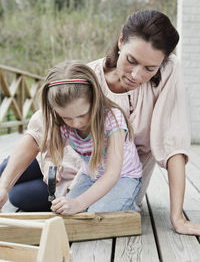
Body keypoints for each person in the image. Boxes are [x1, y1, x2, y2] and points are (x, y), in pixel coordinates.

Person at [0, 9, 200, 234]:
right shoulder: (89, 78)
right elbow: (40, 129)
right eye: (131, 60)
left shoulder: (168, 71)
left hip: (109, 178)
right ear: (121, 41)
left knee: (20, 195)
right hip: (71, 162)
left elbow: (173, 143)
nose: (136, 75)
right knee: (6, 172)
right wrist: (4, 185)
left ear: (161, 63)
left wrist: (177, 217)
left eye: (149, 69)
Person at [40, 62, 142, 214]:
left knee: (97, 213)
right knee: (68, 212)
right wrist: (49, 167)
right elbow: (50, 156)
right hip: (90, 177)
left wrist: (79, 203)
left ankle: (127, 203)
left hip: (123, 177)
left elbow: (112, 174)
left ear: (95, 100)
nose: (76, 123)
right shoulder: (62, 123)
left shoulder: (112, 119)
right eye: (67, 117)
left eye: (82, 115)